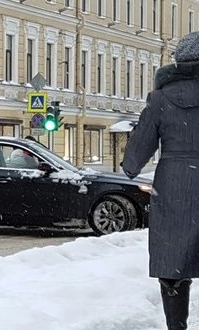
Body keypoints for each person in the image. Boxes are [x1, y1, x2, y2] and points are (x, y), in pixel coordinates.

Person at [122, 31, 199, 330]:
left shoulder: (160, 99)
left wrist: (129, 166)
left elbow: (139, 148)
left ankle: (176, 325)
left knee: (173, 258)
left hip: (175, 184)